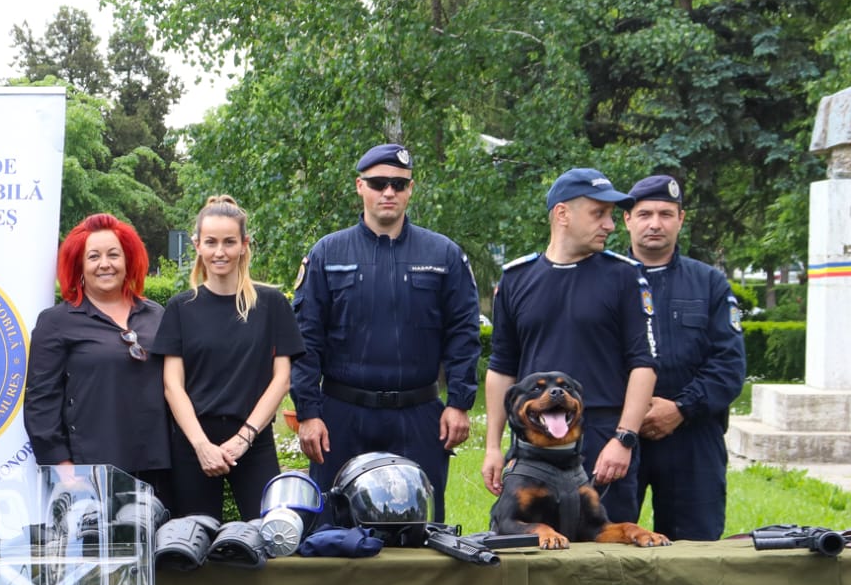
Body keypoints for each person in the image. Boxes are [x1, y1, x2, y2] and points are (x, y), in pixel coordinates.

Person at [290, 143, 481, 522]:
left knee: (419, 532)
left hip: (419, 416)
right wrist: (308, 412)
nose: (389, 192)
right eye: (378, 183)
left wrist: (459, 403)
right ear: (360, 186)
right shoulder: (328, 253)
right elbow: (306, 340)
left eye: (399, 184)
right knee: (331, 532)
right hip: (341, 417)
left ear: (411, 189)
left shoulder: (443, 255)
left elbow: (463, 334)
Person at [482, 168, 657, 524]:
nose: (610, 225)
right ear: (562, 214)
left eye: (611, 215)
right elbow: (502, 367)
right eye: (599, 213)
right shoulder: (517, 278)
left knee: (609, 547)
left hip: (602, 438)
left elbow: (644, 364)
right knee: (531, 544)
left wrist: (623, 439)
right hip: (533, 441)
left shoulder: (623, 276)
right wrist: (493, 447)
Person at [153, 196, 304, 520]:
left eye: (229, 242)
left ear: (244, 244)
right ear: (197, 245)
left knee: (269, 535)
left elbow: (282, 379)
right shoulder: (180, 308)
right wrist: (201, 445)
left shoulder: (271, 304)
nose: (219, 251)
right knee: (192, 541)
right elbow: (172, 386)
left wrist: (244, 439)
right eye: (211, 242)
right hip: (193, 443)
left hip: (253, 440)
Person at [620, 174, 746, 540]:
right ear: (627, 219)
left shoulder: (709, 283)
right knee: (608, 545)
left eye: (665, 214)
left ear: (681, 219)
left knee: (695, 550)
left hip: (692, 436)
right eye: (644, 214)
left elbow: (729, 365)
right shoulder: (605, 280)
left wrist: (680, 408)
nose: (655, 224)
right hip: (619, 435)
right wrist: (632, 416)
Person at [25, 213, 172, 505]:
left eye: (113, 254)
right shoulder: (56, 322)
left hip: (158, 469)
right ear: (79, 265)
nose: (105, 264)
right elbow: (40, 400)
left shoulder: (157, 315)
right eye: (93, 256)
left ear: (128, 260)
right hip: (90, 474)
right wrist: (63, 467)